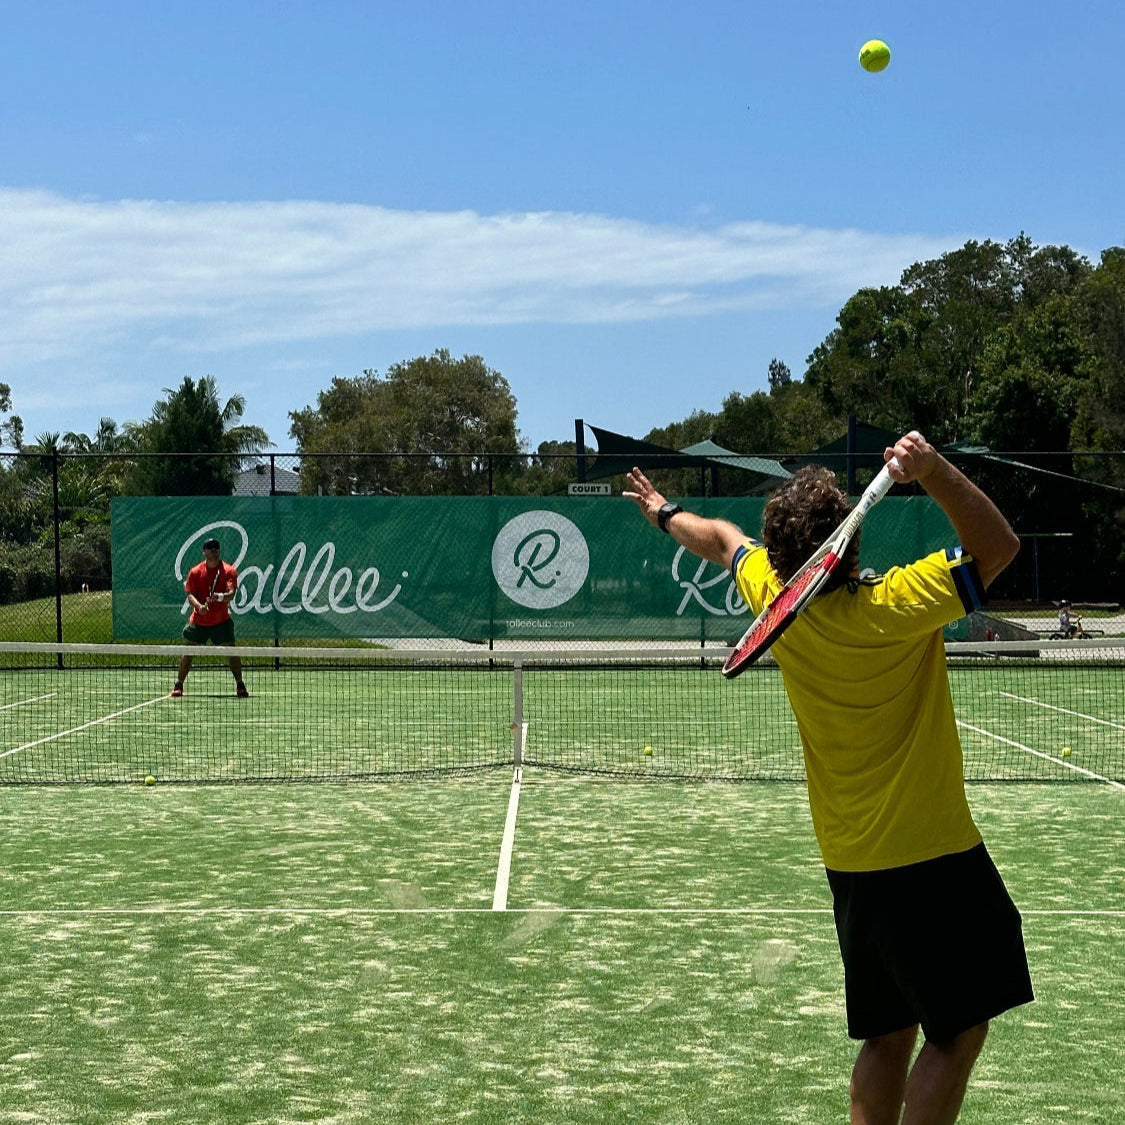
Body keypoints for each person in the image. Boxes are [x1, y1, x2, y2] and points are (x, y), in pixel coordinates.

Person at [625, 431, 1033, 1125]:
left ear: (782, 553)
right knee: (956, 1031)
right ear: (846, 540)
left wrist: (663, 511)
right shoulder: (897, 604)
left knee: (887, 1031)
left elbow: (721, 537)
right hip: (931, 855)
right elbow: (998, 546)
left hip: (850, 863)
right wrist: (930, 469)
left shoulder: (769, 595)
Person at [172, 537, 249, 698]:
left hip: (221, 621)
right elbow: (190, 594)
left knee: (232, 651)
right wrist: (199, 607)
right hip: (199, 621)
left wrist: (219, 597)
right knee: (188, 651)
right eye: (209, 547)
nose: (213, 549)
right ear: (204, 551)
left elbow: (231, 594)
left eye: (216, 547)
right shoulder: (195, 572)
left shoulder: (229, 571)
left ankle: (240, 684)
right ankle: (179, 684)